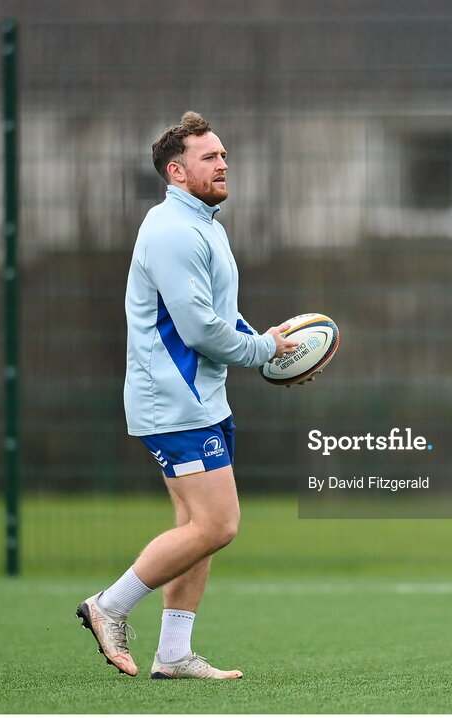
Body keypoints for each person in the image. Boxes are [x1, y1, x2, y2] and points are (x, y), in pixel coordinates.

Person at [77, 111, 301, 680]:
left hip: (202, 398)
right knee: (218, 524)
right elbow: (200, 331)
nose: (223, 163)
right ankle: (109, 606)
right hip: (174, 401)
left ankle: (173, 654)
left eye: (224, 154)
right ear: (177, 172)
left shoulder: (204, 224)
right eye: (210, 157)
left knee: (194, 528)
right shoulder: (173, 230)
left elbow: (220, 317)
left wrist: (268, 347)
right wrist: (262, 354)